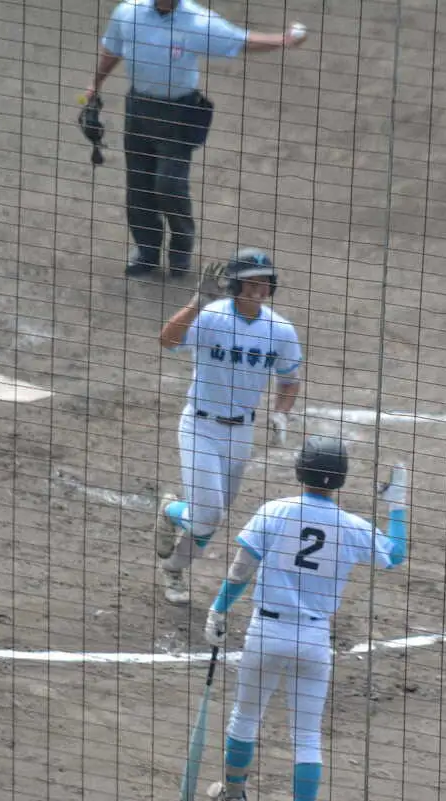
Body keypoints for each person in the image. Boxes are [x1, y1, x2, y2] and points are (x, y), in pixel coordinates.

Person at [201, 437, 409, 801]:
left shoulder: (274, 511)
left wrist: (218, 610)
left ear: (300, 470)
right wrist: (396, 506)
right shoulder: (350, 526)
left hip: (266, 632)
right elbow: (394, 555)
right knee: (307, 736)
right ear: (341, 478)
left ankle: (234, 795)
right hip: (314, 641)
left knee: (245, 717)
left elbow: (240, 572)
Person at [86, 0, 309, 277]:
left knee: (169, 186)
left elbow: (242, 41)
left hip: (180, 113)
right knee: (138, 188)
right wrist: (95, 83)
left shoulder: (197, 21)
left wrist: (284, 40)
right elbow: (113, 48)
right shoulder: (128, 12)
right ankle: (147, 252)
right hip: (138, 110)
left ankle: (180, 252)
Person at [156, 248, 303, 604]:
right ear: (235, 284)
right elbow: (167, 341)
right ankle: (169, 511)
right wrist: (196, 302)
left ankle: (174, 566)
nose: (257, 290)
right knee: (207, 513)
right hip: (200, 425)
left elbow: (289, 380)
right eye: (250, 283)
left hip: (241, 434)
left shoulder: (280, 330)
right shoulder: (211, 316)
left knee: (212, 518)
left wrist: (281, 412)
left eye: (264, 283)